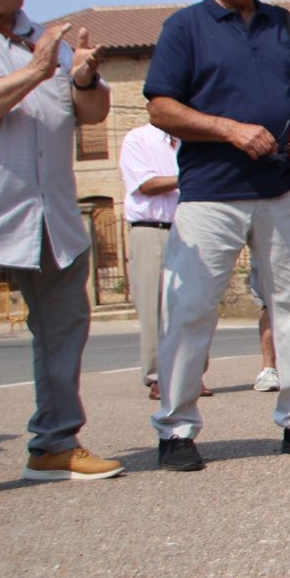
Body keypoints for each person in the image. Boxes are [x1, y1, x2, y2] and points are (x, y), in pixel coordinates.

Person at [145, 0, 290, 470]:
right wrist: (229, 130)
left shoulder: (286, 25)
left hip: (283, 187)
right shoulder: (183, 27)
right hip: (211, 192)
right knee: (191, 309)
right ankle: (176, 430)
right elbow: (161, 108)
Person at [0, 0, 123, 481]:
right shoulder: (38, 54)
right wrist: (37, 72)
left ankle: (54, 444)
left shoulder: (47, 38)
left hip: (50, 214)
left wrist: (84, 78)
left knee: (65, 328)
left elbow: (91, 116)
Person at [119, 122, 185, 401]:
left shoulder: (189, 140)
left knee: (191, 304)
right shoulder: (137, 139)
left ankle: (191, 373)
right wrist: (191, 177)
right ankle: (158, 376)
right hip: (151, 228)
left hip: (187, 228)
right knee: (153, 306)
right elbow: (145, 185)